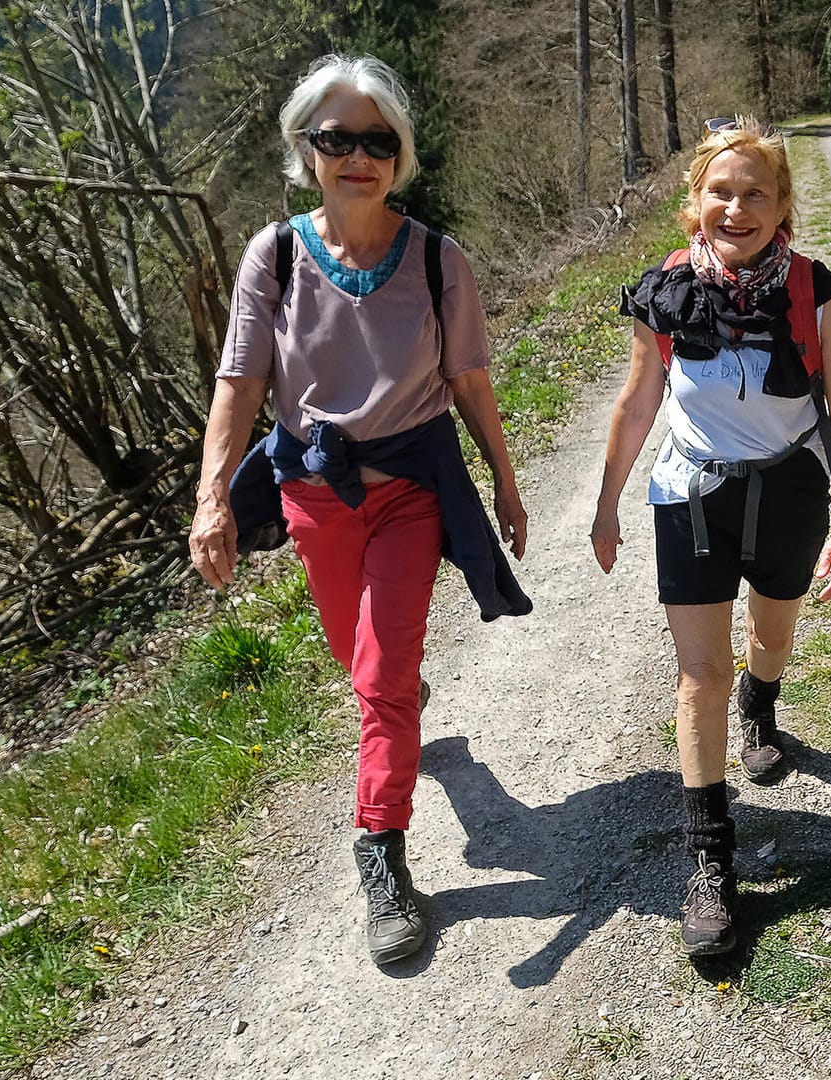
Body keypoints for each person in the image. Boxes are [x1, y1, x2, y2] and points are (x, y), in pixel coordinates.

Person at [188, 54, 529, 966]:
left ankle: (380, 854)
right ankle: (399, 701)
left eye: (378, 140)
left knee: (378, 678)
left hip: (411, 491)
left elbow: (468, 381)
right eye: (337, 139)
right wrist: (212, 494)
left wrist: (502, 477)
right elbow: (240, 381)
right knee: (361, 658)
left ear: (400, 156)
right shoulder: (277, 255)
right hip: (313, 493)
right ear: (307, 153)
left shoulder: (435, 257)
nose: (358, 156)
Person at [591, 116, 831, 957]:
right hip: (692, 495)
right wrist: (607, 504)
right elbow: (639, 403)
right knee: (698, 674)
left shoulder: (822, 296)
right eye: (722, 191)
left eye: (756, 193)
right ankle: (711, 862)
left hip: (787, 488)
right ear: (696, 200)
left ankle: (764, 702)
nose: (737, 208)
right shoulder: (663, 290)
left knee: (771, 637)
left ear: (783, 204)